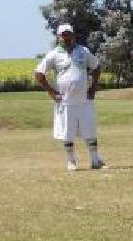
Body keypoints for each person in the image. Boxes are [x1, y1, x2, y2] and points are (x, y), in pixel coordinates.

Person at [34, 24, 106, 171]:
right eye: (63, 35)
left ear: (73, 35)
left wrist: (93, 87)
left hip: (84, 100)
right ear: (59, 37)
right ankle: (71, 161)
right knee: (66, 132)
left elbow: (96, 67)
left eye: (68, 34)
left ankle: (95, 160)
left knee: (89, 130)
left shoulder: (83, 51)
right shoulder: (54, 54)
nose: (66, 37)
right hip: (65, 101)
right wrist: (51, 92)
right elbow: (38, 73)